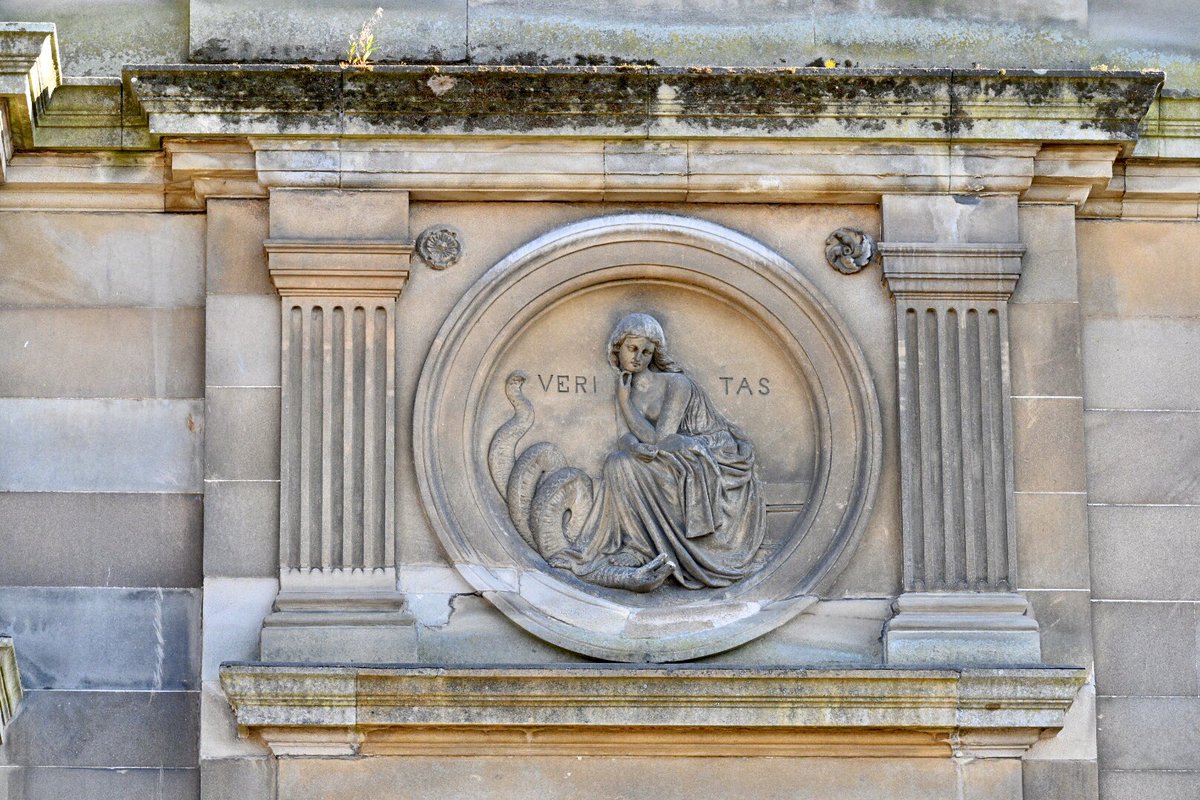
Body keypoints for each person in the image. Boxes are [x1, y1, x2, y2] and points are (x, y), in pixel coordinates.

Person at [564, 312, 766, 591]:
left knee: (627, 465)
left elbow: (663, 437)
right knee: (616, 462)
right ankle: (638, 546)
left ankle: (653, 549)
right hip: (671, 451)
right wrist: (634, 446)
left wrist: (625, 404)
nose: (638, 357)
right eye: (631, 348)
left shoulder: (676, 383)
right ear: (617, 348)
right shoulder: (626, 388)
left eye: (646, 352)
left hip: (708, 453)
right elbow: (624, 436)